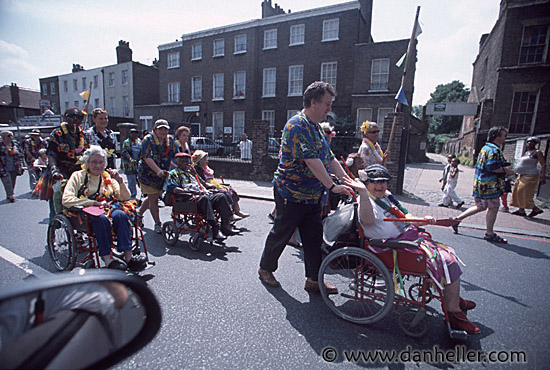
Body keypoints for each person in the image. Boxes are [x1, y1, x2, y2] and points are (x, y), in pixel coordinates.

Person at [342, 164, 479, 335]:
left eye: (384, 181)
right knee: (445, 260)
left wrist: (421, 220)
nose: (381, 185)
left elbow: (404, 216)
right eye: (375, 182)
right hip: (391, 248)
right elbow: (368, 221)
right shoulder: (366, 200)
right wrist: (362, 192)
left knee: (447, 254)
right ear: (366, 183)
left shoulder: (387, 197)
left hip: (408, 238)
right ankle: (453, 310)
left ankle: (453, 300)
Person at [258, 81, 352, 293]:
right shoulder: (297, 125)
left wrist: (347, 181)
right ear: (313, 102)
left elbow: (329, 158)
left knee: (313, 238)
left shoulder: (316, 128)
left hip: (311, 194)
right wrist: (332, 186)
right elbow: (312, 161)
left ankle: (313, 280)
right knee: (281, 233)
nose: (330, 108)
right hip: (290, 193)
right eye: (327, 103)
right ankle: (265, 268)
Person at [62, 145, 146, 271]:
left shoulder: (107, 176)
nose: (98, 166)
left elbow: (125, 197)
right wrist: (93, 203)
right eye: (94, 162)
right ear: (87, 163)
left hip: (108, 206)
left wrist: (119, 181)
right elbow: (66, 199)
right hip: (86, 210)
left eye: (101, 162)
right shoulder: (78, 176)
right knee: (101, 220)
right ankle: (108, 259)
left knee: (121, 216)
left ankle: (129, 257)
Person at [452, 126, 515, 243]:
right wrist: (507, 171)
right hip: (490, 185)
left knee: (481, 206)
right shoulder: (494, 150)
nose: (505, 137)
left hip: (480, 183)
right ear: (497, 136)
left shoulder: (485, 148)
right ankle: (489, 234)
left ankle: (457, 220)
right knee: (494, 207)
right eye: (504, 135)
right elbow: (492, 167)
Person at [166, 152, 238, 241]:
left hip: (201, 195)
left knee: (221, 196)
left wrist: (196, 175)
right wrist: (191, 192)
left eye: (187, 162)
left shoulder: (191, 173)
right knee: (205, 199)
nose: (186, 164)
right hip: (187, 199)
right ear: (178, 163)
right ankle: (215, 228)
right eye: (183, 162)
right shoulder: (174, 173)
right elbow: (173, 189)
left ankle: (225, 226)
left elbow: (202, 184)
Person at [40, 107, 90, 219]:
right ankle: (55, 224)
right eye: (72, 116)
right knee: (58, 199)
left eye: (79, 117)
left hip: (77, 170)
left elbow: (87, 154)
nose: (75, 119)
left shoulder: (83, 134)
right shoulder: (57, 133)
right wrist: (54, 169)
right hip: (60, 169)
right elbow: (51, 153)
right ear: (64, 117)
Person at [137, 119, 176, 233]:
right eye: (161, 129)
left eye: (165, 129)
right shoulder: (147, 140)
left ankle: (138, 214)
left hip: (162, 175)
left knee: (153, 196)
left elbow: (174, 155)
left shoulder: (171, 140)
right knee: (153, 198)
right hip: (147, 175)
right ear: (155, 129)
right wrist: (158, 170)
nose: (163, 131)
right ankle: (157, 223)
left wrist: (181, 165)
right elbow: (147, 157)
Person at [192, 149, 249, 219]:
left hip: (215, 185)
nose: (207, 161)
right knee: (225, 193)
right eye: (205, 159)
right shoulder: (198, 170)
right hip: (208, 187)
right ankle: (230, 214)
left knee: (231, 190)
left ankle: (237, 211)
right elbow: (201, 182)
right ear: (200, 161)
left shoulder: (206, 168)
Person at [510, 136, 546, 217]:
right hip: (522, 175)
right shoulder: (526, 152)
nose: (529, 143)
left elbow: (543, 164)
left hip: (531, 175)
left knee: (525, 192)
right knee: (518, 191)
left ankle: (535, 209)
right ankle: (521, 210)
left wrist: (542, 177)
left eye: (532, 142)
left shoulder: (537, 152)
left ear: (535, 143)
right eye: (528, 142)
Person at [0, 130, 25, 203]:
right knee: (7, 181)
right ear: (4, 137)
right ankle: (10, 194)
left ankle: (10, 193)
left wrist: (21, 165)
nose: (11, 137)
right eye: (8, 136)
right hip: (4, 167)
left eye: (11, 136)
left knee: (13, 180)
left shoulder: (15, 144)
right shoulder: (1, 145)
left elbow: (20, 155)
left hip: (14, 166)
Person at [121, 129, 141, 200]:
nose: (134, 135)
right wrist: (130, 159)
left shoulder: (139, 141)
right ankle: (132, 196)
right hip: (129, 165)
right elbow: (125, 152)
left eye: (136, 133)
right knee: (131, 180)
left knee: (138, 179)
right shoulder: (127, 142)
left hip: (137, 164)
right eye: (133, 134)